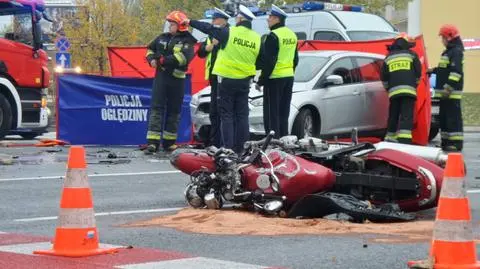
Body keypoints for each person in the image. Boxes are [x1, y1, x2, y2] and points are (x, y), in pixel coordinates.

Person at [187, 5, 262, 154]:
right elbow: (260, 61)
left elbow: (207, 28)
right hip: (244, 81)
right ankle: (242, 148)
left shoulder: (229, 32)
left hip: (226, 80)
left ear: (240, 19)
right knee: (242, 115)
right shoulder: (256, 38)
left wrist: (190, 22)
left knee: (226, 115)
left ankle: (228, 148)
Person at [144, 11, 196, 155]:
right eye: (170, 24)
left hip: (177, 80)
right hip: (161, 78)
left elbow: (183, 58)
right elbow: (149, 49)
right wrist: (151, 60)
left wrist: (163, 60)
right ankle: (152, 143)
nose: (170, 27)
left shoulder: (188, 41)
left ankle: (169, 143)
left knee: (174, 111)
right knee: (156, 108)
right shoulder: (162, 37)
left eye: (172, 24)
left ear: (180, 26)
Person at [256, 4, 299, 139]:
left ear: (277, 19)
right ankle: (284, 139)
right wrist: (289, 72)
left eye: (270, 17)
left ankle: (272, 141)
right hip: (288, 77)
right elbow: (295, 59)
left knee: (271, 112)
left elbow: (269, 61)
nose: (268, 19)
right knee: (283, 111)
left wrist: (261, 80)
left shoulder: (273, 36)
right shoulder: (292, 35)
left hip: (274, 78)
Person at [196, 8, 231, 147]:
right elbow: (200, 53)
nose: (212, 22)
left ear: (222, 20)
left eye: (215, 19)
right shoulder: (211, 36)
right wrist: (209, 47)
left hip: (224, 77)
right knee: (214, 112)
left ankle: (222, 142)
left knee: (222, 112)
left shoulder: (228, 33)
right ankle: (214, 142)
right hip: (213, 78)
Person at [428, 24, 464, 152]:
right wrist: (433, 70)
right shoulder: (449, 52)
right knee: (444, 118)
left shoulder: (456, 52)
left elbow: (456, 72)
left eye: (443, 37)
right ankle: (446, 142)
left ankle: (456, 144)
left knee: (453, 119)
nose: (442, 40)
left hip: (451, 92)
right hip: (444, 92)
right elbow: (445, 70)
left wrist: (448, 88)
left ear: (449, 37)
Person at [380, 32, 421, 144]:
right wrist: (414, 85)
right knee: (406, 115)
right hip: (409, 92)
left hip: (394, 93)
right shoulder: (412, 55)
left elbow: (384, 77)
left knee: (394, 114)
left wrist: (388, 89)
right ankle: (404, 139)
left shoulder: (389, 57)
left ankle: (390, 136)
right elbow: (418, 73)